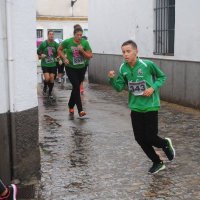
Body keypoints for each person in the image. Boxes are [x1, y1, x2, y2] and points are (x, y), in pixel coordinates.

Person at [108, 40, 175, 174]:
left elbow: (162, 77)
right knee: (139, 138)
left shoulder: (147, 65)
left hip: (150, 106)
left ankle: (165, 144)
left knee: (150, 137)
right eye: (123, 52)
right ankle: (157, 162)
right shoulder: (123, 68)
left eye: (128, 51)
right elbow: (119, 88)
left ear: (136, 51)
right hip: (135, 107)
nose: (125, 55)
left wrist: (153, 88)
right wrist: (112, 79)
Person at [58, 27, 92, 117]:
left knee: (75, 88)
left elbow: (89, 56)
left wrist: (82, 51)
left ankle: (70, 105)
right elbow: (59, 49)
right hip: (70, 67)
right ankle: (80, 110)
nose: (80, 37)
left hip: (81, 68)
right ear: (74, 34)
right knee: (76, 86)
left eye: (81, 35)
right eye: (78, 35)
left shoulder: (85, 43)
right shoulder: (67, 42)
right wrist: (64, 58)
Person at [37, 30, 59, 100]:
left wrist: (58, 58)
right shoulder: (43, 44)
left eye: (53, 34)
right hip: (45, 64)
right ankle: (45, 86)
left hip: (53, 64)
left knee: (52, 78)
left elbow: (59, 52)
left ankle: (50, 93)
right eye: (50, 34)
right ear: (48, 35)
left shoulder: (56, 44)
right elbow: (38, 52)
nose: (51, 36)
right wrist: (41, 55)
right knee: (47, 78)